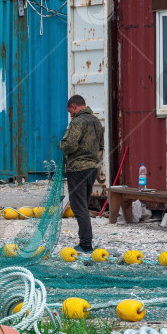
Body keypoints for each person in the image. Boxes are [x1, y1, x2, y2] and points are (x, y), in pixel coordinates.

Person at [60, 95, 104, 254]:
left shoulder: (78, 122)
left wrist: (62, 145)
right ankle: (85, 240)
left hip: (77, 169)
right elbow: (101, 146)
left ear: (73, 106)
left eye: (70, 112)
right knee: (83, 205)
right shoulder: (96, 122)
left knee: (79, 208)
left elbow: (69, 145)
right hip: (92, 169)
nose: (70, 115)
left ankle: (86, 244)